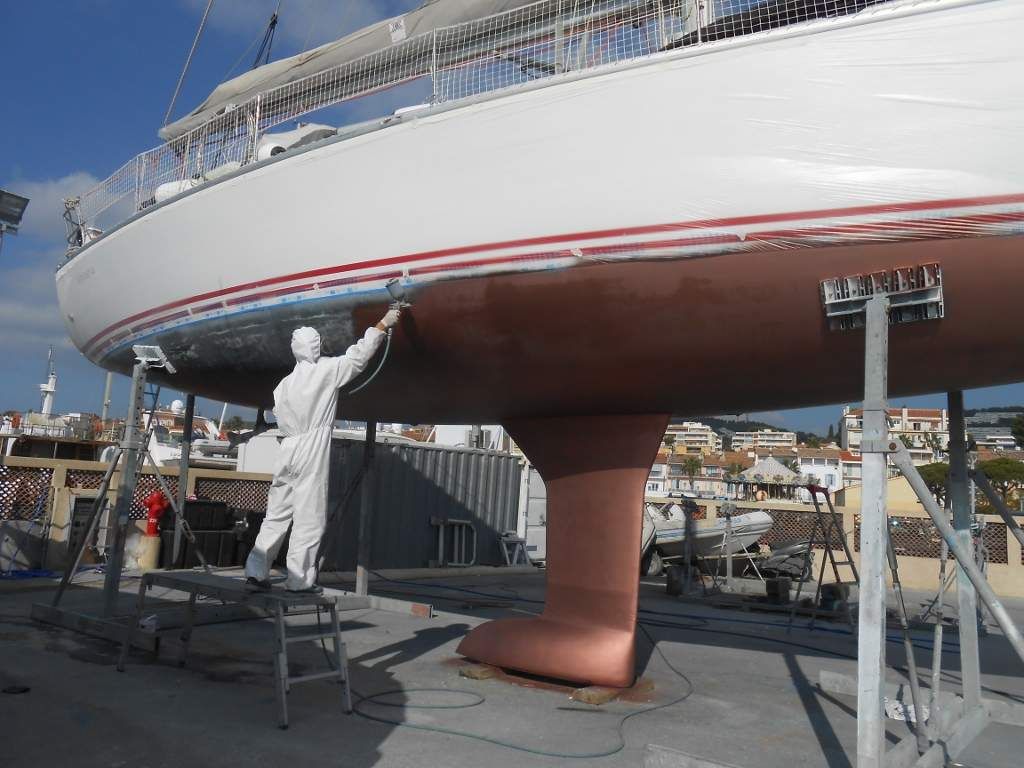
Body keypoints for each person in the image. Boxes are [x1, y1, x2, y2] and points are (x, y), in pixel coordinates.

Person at [245, 308, 400, 594]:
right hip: (311, 445)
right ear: (316, 346)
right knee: (309, 516)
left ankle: (256, 571)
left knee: (276, 514)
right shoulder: (326, 370)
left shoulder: (283, 385)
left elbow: (280, 414)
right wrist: (382, 324)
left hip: (287, 447)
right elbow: (358, 356)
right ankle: (299, 580)